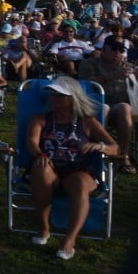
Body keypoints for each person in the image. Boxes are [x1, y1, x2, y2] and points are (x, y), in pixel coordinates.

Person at [28, 76, 119, 260]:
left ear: (72, 98)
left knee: (79, 184)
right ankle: (44, 228)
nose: (53, 98)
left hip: (79, 170)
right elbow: (31, 142)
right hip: (51, 169)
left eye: (59, 95)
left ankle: (69, 240)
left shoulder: (87, 122)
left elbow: (115, 148)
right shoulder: (40, 119)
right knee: (40, 169)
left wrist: (99, 146)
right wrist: (39, 154)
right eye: (52, 94)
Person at [78, 36, 137, 174]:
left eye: (121, 50)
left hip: (121, 110)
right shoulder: (89, 63)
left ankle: (123, 156)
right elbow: (86, 84)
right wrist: (112, 76)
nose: (118, 53)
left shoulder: (127, 66)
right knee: (104, 108)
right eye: (114, 49)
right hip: (94, 107)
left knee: (124, 107)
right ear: (104, 49)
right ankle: (99, 158)